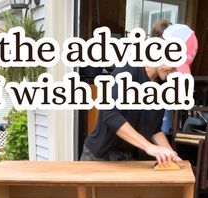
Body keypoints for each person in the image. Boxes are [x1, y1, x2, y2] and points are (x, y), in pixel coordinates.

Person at [80, 22, 198, 165]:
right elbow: (110, 114)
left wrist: (172, 156)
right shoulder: (130, 68)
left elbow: (155, 129)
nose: (174, 72)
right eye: (174, 65)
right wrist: (149, 147)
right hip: (99, 157)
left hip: (127, 159)